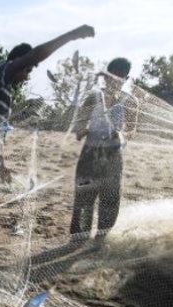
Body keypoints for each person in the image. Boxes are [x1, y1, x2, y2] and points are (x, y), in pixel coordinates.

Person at [0, 25, 95, 249]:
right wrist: (71, 35)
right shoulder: (1, 73)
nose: (27, 76)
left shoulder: (6, 92)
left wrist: (1, 165)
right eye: (28, 69)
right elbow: (34, 54)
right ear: (18, 63)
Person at [69, 57, 138, 243]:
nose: (114, 80)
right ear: (105, 75)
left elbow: (131, 131)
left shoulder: (130, 101)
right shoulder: (93, 97)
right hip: (90, 154)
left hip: (114, 156)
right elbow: (78, 129)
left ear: (126, 78)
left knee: (110, 199)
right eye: (111, 75)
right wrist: (86, 130)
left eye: (120, 77)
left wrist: (119, 135)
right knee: (84, 199)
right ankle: (78, 241)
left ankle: (101, 240)